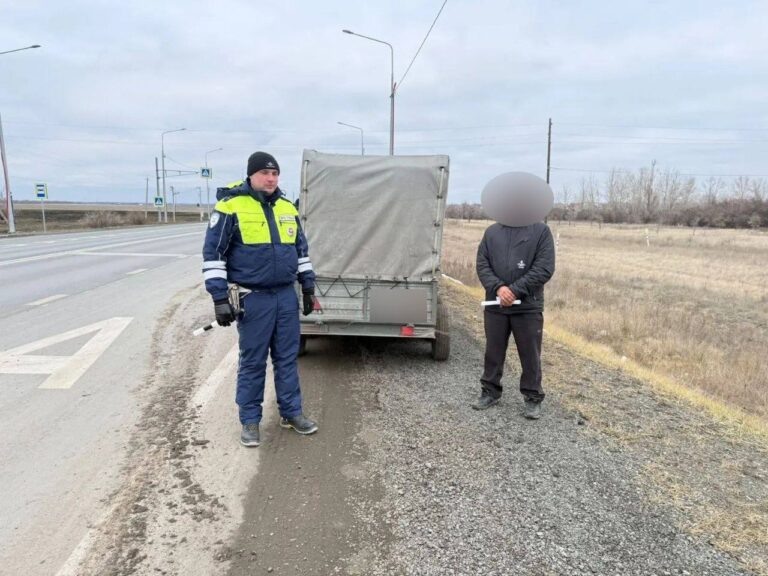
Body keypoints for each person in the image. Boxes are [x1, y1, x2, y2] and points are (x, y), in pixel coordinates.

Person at [202, 151, 318, 447]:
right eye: (265, 173)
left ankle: (291, 413)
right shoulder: (230, 206)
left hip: (285, 297)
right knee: (253, 362)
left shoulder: (287, 208)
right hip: (254, 299)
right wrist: (219, 298)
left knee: (287, 359)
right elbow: (214, 255)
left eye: (275, 173)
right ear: (251, 175)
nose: (271, 178)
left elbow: (301, 252)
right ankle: (250, 421)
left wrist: (307, 287)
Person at [474, 220, 555, 419]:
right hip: (495, 304)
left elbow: (544, 267)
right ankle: (490, 391)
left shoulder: (541, 231)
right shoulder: (492, 232)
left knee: (530, 354)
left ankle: (532, 397)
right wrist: (499, 288)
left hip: (527, 306)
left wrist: (514, 291)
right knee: (493, 351)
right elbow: (482, 264)